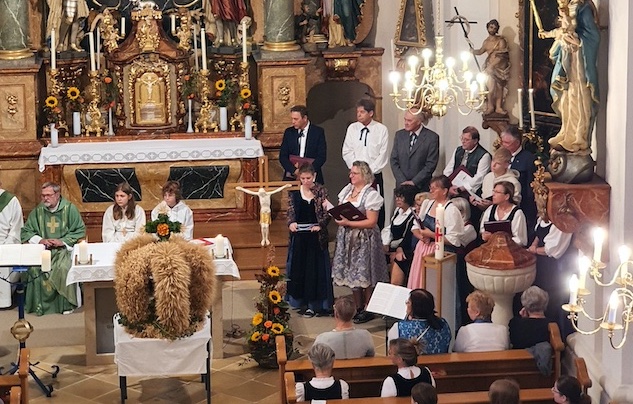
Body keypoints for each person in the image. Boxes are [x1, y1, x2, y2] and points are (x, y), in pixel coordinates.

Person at [538, 0, 599, 153]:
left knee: (579, 98)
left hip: (579, 64)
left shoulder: (583, 8)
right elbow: (560, 32)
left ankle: (579, 137)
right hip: (567, 61)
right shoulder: (566, 8)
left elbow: (594, 36)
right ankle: (566, 132)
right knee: (566, 98)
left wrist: (578, 42)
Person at [331, 161, 388, 324]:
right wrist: (339, 218)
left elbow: (371, 221)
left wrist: (349, 223)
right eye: (351, 173)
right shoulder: (347, 190)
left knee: (365, 273)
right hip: (347, 236)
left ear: (364, 175)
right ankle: (358, 306)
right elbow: (340, 211)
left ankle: (369, 307)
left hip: (364, 238)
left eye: (354, 173)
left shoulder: (371, 195)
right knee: (352, 272)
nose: (351, 175)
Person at [21, 182, 86, 315]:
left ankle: (65, 305)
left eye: (48, 195)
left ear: (57, 195)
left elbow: (80, 230)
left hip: (63, 251)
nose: (45, 198)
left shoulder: (69, 209)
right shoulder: (38, 211)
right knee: (34, 269)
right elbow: (26, 232)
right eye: (43, 195)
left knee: (63, 268)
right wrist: (41, 240)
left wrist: (62, 241)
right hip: (43, 250)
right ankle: (39, 306)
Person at [286, 164, 333, 317]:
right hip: (300, 237)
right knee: (300, 270)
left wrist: (321, 225)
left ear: (314, 176)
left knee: (314, 271)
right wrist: (291, 223)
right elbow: (290, 211)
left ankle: (315, 304)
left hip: (315, 239)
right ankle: (300, 301)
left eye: (308, 178)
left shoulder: (321, 192)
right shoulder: (294, 193)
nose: (306, 181)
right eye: (303, 178)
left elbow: (328, 213)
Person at [407, 175, 465, 290]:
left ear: (444, 191)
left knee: (434, 287)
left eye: (435, 188)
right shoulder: (427, 204)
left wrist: (431, 235)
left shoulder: (451, 210)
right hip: (422, 249)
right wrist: (421, 236)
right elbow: (415, 226)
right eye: (430, 188)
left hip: (440, 253)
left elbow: (454, 240)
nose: (431, 191)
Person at [342, 98, 389, 227]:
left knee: (375, 206)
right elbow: (347, 151)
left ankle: (377, 232)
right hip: (356, 174)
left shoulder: (381, 129)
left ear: (371, 113)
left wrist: (367, 173)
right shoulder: (352, 128)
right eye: (357, 112)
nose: (359, 115)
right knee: (354, 204)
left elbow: (383, 154)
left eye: (362, 112)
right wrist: (357, 171)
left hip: (374, 175)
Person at [527, 218, 573, 334]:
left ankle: (554, 334)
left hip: (554, 269)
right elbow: (538, 235)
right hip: (541, 266)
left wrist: (534, 250)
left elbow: (553, 250)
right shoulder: (543, 219)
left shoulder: (562, 223)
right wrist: (533, 245)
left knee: (552, 301)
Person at [387, 289, 451, 354]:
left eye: (408, 302)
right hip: (441, 360)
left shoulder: (399, 328)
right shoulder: (443, 324)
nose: (406, 303)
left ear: (415, 307)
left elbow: (391, 352)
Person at [391, 109, 440, 192]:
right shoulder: (399, 135)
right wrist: (402, 181)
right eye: (405, 119)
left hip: (421, 187)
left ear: (419, 121)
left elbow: (431, 164)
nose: (406, 123)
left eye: (409, 120)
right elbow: (394, 160)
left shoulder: (431, 138)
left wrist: (414, 182)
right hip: (401, 187)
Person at [501, 125, 537, 233]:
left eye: (507, 143)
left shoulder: (528, 159)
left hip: (521, 206)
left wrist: (529, 214)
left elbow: (530, 188)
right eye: (503, 142)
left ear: (517, 143)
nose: (503, 145)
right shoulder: (501, 156)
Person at [279, 105, 327, 184]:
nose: (293, 122)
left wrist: (307, 172)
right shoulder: (289, 132)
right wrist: (294, 170)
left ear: (304, 118)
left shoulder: (318, 132)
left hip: (312, 178)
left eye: (296, 119)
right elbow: (283, 156)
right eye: (292, 118)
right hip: (292, 178)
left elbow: (321, 156)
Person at [472, 19, 511, 115]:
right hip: (489, 67)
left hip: (500, 68)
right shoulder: (486, 42)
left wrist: (491, 66)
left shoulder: (501, 41)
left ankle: (498, 107)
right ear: (487, 28)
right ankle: (490, 106)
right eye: (491, 27)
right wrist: (473, 51)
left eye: (494, 28)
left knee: (500, 88)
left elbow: (502, 56)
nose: (492, 29)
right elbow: (481, 51)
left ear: (497, 29)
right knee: (490, 88)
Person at [381, 185, 417, 286]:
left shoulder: (413, 214)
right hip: (392, 246)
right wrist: (386, 243)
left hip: (405, 249)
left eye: (401, 197)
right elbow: (389, 229)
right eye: (397, 197)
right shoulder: (398, 211)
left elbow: (408, 236)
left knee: (396, 259)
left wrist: (397, 249)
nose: (397, 199)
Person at [442, 126, 491, 197]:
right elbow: (448, 170)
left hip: (471, 191)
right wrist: (448, 185)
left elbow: (479, 178)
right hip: (454, 186)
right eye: (462, 138)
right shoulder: (458, 150)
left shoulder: (484, 155)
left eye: (466, 140)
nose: (463, 141)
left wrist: (462, 188)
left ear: (475, 141)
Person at [480, 182, 528, 247]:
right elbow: (482, 229)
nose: (493, 194)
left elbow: (520, 240)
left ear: (507, 196)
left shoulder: (517, 213)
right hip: (491, 248)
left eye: (497, 192)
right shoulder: (490, 209)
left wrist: (497, 239)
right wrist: (484, 234)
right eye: (494, 191)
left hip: (510, 250)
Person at [0, 180, 24, 308]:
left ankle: (3, 301)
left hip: (5, 244)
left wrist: (6, 246)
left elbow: (16, 228)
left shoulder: (10, 200)